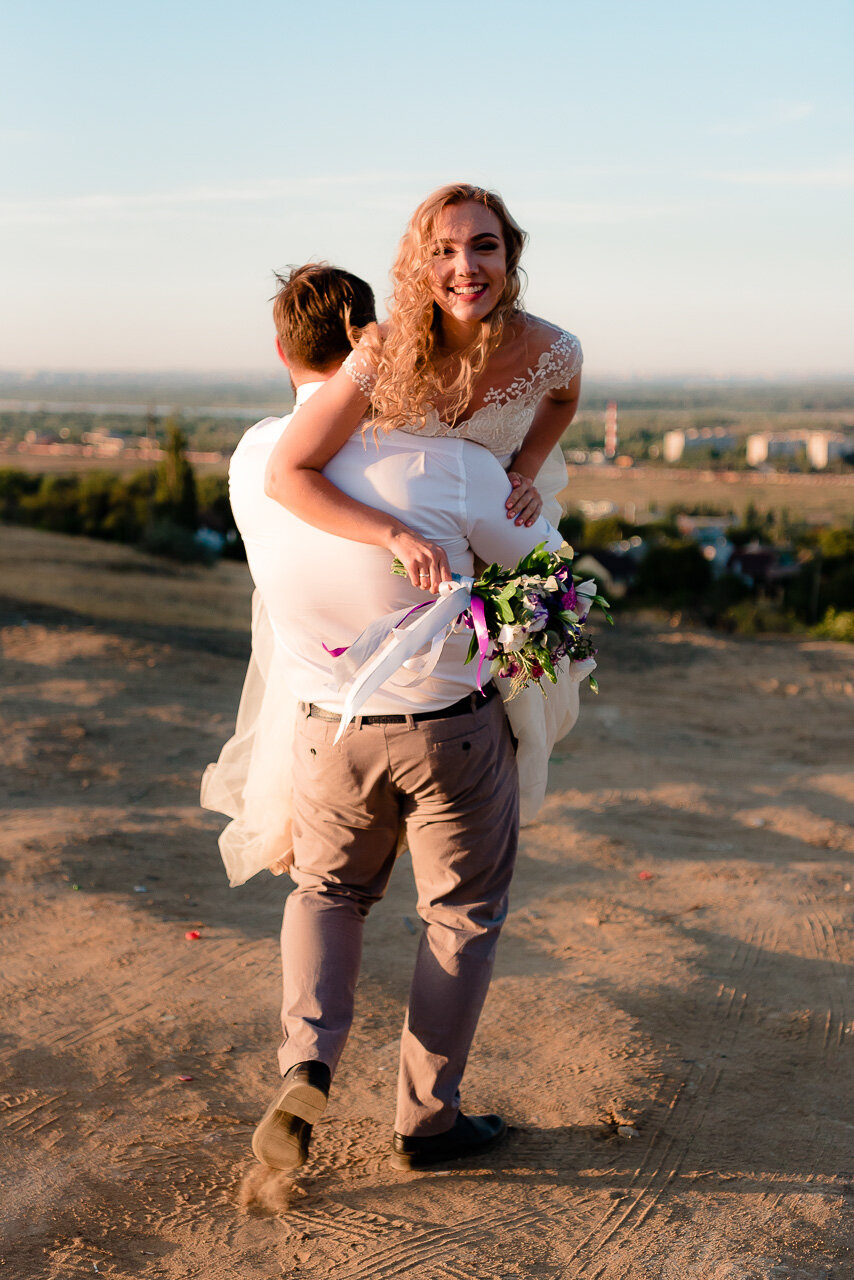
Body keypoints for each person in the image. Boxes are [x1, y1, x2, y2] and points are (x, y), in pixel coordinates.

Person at [225, 262, 565, 1172]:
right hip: (446, 731)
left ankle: (308, 1062)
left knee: (325, 893)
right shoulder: (449, 465)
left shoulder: (254, 457)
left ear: (280, 348)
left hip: (322, 730)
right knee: (458, 915)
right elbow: (546, 579)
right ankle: (427, 1120)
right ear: (380, 341)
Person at [264, 182, 585, 831]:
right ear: (418, 263)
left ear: (511, 256)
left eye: (484, 246)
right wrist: (392, 532)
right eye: (443, 250)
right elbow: (292, 468)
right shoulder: (383, 350)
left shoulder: (554, 348)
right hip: (403, 548)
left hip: (495, 527)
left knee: (509, 699)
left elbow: (561, 398)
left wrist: (523, 469)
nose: (465, 267)